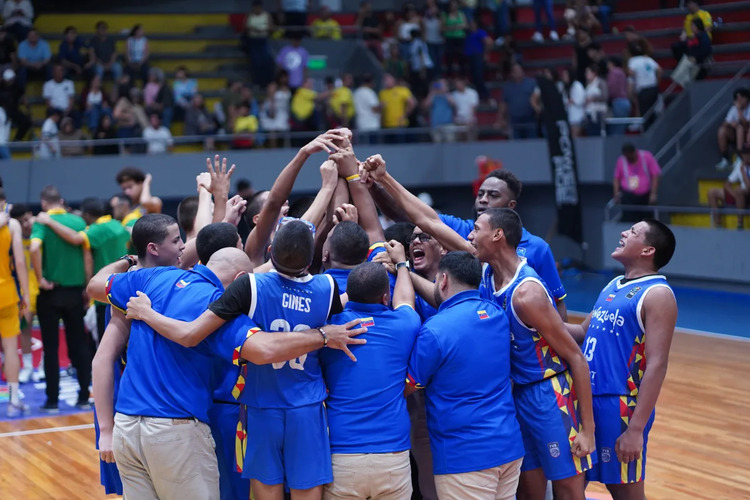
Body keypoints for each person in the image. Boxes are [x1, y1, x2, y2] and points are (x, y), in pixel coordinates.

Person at [117, 220, 346, 500]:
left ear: (271, 252)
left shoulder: (250, 286)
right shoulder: (328, 287)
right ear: (313, 258)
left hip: (259, 405)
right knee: (307, 491)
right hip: (306, 405)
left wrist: (147, 312)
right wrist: (324, 334)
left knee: (263, 491)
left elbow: (191, 332)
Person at [468, 208, 595, 499]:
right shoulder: (487, 275)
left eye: (476, 228)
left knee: (567, 489)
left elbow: (576, 358)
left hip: (550, 395)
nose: (470, 236)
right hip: (516, 395)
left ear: (498, 235)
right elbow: (434, 224)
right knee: (527, 488)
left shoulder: (527, 294)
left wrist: (588, 430)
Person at [365, 158, 569, 319]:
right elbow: (417, 217)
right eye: (480, 193)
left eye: (493, 195)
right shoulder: (468, 237)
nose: (483, 199)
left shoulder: (534, 257)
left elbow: (557, 306)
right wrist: (377, 183)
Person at [567, 219, 677, 499]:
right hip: (583, 400)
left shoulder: (657, 294)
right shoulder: (613, 285)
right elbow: (581, 332)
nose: (624, 233)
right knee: (568, 489)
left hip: (619, 408)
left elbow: (656, 365)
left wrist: (636, 430)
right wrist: (532, 318)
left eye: (634, 232)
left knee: (626, 493)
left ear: (647, 250)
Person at [405, 251, 524, 499]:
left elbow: (410, 386)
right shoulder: (497, 315)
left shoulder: (434, 330)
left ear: (443, 280)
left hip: (465, 458)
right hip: (508, 448)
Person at [321, 256, 421, 500]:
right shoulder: (405, 324)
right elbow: (406, 300)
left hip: (341, 457)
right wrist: (400, 265)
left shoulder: (327, 328)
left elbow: (332, 306)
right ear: (385, 298)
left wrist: (348, 297)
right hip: (392, 456)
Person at [30, 186, 92, 412]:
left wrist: (40, 278)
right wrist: (87, 286)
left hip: (50, 292)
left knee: (51, 347)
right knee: (79, 344)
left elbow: (35, 247)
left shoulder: (42, 221)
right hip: (75, 291)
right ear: (62, 201)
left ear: (44, 203)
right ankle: (84, 396)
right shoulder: (78, 222)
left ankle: (52, 401)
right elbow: (87, 254)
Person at [35, 197, 130, 344]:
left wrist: (49, 221)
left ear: (86, 215)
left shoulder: (98, 229)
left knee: (105, 344)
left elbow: (76, 239)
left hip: (105, 293)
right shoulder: (118, 225)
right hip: (124, 289)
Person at [0, 206, 31, 416]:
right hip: (7, 292)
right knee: (11, 348)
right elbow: (20, 262)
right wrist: (26, 294)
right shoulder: (11, 225)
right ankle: (13, 401)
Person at [9, 203, 39, 384]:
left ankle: (42, 366)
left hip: (42, 288)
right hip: (23, 289)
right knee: (25, 328)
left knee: (49, 329)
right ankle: (27, 366)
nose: (26, 224)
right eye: (21, 222)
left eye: (27, 219)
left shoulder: (41, 233)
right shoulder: (14, 237)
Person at [613, 143, 661, 222]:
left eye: (630, 156)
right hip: (629, 197)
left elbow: (656, 174)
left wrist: (653, 194)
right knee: (628, 220)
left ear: (634, 152)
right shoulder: (621, 161)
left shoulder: (646, 156)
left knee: (646, 221)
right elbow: (616, 178)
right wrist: (616, 193)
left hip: (645, 196)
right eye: (627, 157)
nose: (629, 159)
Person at [708, 143, 750, 229]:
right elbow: (727, 184)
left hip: (747, 194)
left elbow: (749, 187)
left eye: (748, 153)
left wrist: (743, 172)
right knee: (712, 192)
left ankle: (740, 224)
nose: (746, 156)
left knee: (739, 190)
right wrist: (735, 195)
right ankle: (718, 224)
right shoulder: (740, 165)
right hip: (740, 195)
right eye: (745, 154)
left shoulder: (742, 168)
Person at [497, 63, 538, 139]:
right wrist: (501, 119)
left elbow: (537, 98)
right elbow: (503, 104)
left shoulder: (531, 83)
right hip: (514, 121)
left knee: (532, 143)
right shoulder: (507, 87)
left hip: (530, 119)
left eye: (519, 70)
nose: (518, 72)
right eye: (515, 71)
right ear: (512, 73)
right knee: (516, 144)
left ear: (523, 71)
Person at [116, 166, 163, 231]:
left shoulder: (155, 202)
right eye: (124, 189)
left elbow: (145, 202)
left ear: (141, 183)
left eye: (130, 187)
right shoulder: (126, 208)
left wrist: (146, 182)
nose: (127, 191)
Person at [627, 45, 661, 131]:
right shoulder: (648, 59)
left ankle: (648, 133)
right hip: (653, 88)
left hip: (644, 89)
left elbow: (631, 73)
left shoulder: (633, 61)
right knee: (652, 111)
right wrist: (656, 82)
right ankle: (655, 130)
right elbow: (660, 70)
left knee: (645, 114)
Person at [715, 88, 750, 170]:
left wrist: (739, 111)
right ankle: (725, 159)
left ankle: (740, 156)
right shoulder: (733, 108)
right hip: (735, 135)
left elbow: (746, 124)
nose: (739, 100)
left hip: (746, 134)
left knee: (740, 128)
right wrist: (731, 124)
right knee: (722, 130)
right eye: (737, 98)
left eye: (741, 98)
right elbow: (725, 123)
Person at [243, 1, 275, 88]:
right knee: (255, 62)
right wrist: (254, 29)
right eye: (255, 7)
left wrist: (263, 30)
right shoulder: (249, 16)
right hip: (253, 41)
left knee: (266, 61)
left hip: (263, 40)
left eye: (259, 7)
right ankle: (256, 82)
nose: (257, 9)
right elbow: (245, 27)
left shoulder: (266, 15)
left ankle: (266, 82)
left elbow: (272, 27)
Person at [379, 73, 416, 143]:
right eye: (385, 80)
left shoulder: (402, 90)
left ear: (393, 80)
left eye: (388, 79)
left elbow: (412, 103)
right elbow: (381, 109)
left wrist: (404, 115)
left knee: (400, 147)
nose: (386, 81)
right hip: (386, 126)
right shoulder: (382, 93)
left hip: (399, 124)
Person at [353, 73, 381, 144]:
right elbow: (374, 109)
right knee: (373, 150)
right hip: (371, 125)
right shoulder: (369, 92)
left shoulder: (356, 92)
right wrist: (382, 106)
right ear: (371, 82)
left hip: (360, 124)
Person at [606, 58, 631, 135]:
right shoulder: (622, 72)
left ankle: (616, 146)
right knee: (621, 128)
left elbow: (611, 87)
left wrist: (607, 98)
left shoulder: (613, 72)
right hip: (626, 101)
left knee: (616, 129)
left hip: (618, 102)